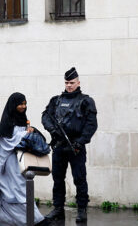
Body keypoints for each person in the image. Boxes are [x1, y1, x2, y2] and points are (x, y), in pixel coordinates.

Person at [41, 67, 98, 222]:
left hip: (76, 147)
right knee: (57, 178)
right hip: (59, 146)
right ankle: (58, 208)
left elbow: (91, 125)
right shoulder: (56, 100)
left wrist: (80, 142)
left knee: (79, 179)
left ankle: (81, 209)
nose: (69, 85)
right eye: (67, 82)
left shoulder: (86, 101)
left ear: (78, 82)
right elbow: (45, 116)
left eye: (72, 82)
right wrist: (52, 129)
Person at [0, 92, 45, 226]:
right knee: (13, 191)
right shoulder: (7, 121)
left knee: (20, 190)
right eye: (20, 104)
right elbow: (5, 141)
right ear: (13, 105)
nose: (23, 106)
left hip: (20, 162)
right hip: (8, 163)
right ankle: (32, 219)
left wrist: (32, 132)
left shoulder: (23, 119)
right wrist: (24, 135)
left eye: (25, 103)